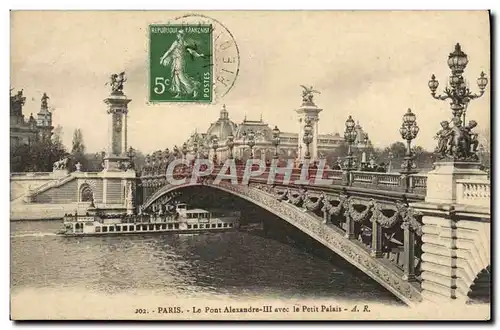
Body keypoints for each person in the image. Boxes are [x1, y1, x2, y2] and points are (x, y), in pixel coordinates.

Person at [160, 29, 205, 99]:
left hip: (180, 61)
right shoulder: (176, 43)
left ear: (183, 36)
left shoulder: (184, 43)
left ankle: (194, 88)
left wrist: (199, 55)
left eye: (182, 35)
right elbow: (169, 51)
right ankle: (179, 93)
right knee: (176, 77)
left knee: (181, 77)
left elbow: (191, 51)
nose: (180, 36)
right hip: (175, 61)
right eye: (179, 34)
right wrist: (163, 58)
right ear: (177, 35)